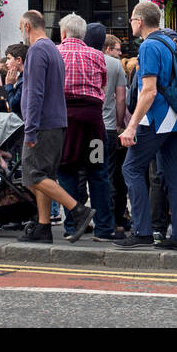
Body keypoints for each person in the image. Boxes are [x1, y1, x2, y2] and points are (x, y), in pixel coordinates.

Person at [117, 2, 177, 250]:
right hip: (175, 118)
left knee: (131, 169)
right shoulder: (170, 42)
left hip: (156, 119)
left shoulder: (148, 46)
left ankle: (142, 231)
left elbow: (149, 91)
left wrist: (131, 126)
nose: (130, 24)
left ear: (139, 21)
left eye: (131, 20)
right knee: (172, 177)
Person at [16, 10, 92, 243]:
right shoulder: (52, 48)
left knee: (33, 176)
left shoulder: (37, 50)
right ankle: (43, 226)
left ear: (27, 26)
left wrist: (30, 128)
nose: (21, 32)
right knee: (45, 175)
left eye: (21, 28)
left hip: (42, 124)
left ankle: (78, 210)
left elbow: (35, 92)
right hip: (55, 122)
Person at [55, 13, 114, 241]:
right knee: (98, 171)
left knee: (67, 170)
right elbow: (102, 84)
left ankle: (72, 226)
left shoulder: (56, 52)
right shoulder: (97, 55)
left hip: (66, 121)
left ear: (63, 33)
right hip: (93, 122)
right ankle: (104, 228)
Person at [100, 33, 130, 234]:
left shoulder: (87, 60)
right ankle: (117, 219)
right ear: (108, 49)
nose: (121, 53)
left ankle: (107, 220)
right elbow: (122, 100)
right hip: (112, 129)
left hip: (94, 128)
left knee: (100, 174)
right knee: (115, 175)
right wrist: (120, 125)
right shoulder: (115, 65)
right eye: (118, 49)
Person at [3, 42, 26, 115]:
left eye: (9, 58)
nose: (6, 62)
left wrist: (9, 85)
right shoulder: (23, 77)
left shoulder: (24, 80)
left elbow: (14, 106)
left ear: (18, 60)